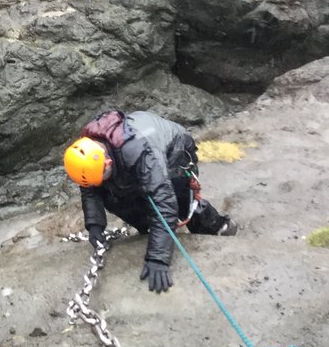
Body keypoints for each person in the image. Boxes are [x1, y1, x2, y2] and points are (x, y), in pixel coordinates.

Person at [63, 110, 239, 294]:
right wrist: (95, 225)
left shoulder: (139, 152)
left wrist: (158, 257)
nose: (103, 180)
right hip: (130, 155)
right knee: (115, 197)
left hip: (175, 150)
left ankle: (215, 225)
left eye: (104, 174)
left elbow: (164, 201)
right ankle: (147, 229)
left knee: (176, 199)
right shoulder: (87, 156)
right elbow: (90, 188)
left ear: (107, 162)